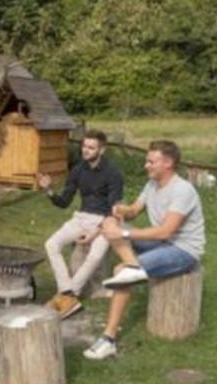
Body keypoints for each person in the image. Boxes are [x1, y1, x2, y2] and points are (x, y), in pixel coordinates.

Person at [83, 140, 206, 360]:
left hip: (182, 250)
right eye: (146, 161)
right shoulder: (152, 185)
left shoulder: (182, 190)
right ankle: (132, 265)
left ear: (168, 163)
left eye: (151, 161)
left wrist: (125, 234)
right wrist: (122, 211)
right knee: (110, 224)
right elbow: (134, 211)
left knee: (121, 274)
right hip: (161, 243)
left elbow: (166, 232)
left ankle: (108, 339)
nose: (146, 165)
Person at [37, 130, 124, 320]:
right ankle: (66, 290)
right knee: (51, 244)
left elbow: (114, 210)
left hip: (105, 221)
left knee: (94, 256)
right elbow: (64, 202)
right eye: (84, 146)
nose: (85, 150)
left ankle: (69, 294)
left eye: (91, 147)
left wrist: (95, 233)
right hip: (81, 217)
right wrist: (49, 190)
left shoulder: (113, 173)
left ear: (101, 150)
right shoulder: (78, 169)